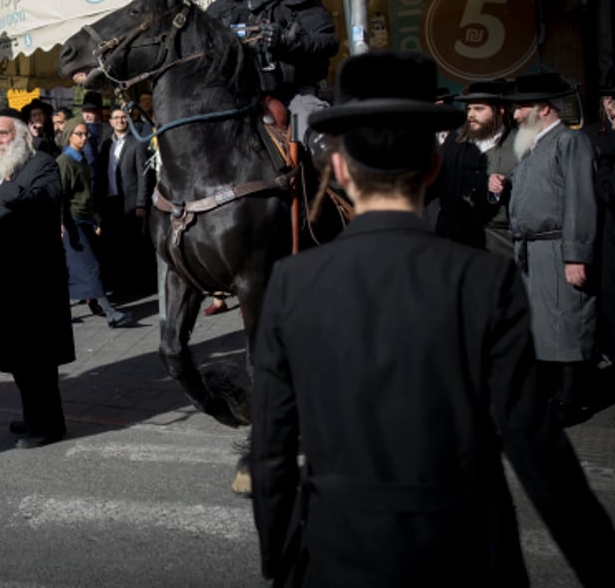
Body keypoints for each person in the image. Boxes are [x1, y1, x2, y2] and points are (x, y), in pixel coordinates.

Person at [250, 50, 615, 588]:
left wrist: (280, 566)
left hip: (340, 554)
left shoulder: (291, 284)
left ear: (343, 169)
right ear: (434, 165)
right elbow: (538, 451)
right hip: (468, 552)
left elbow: (272, 452)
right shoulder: (485, 283)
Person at [491, 73, 599, 423]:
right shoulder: (533, 144)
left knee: (568, 323)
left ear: (545, 108)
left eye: (522, 107)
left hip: (558, 247)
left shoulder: (571, 142)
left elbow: (580, 201)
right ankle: (553, 393)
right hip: (532, 251)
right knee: (544, 325)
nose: (516, 114)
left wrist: (575, 254)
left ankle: (574, 398)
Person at [0, 110, 75, 448]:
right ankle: (33, 417)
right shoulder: (4, 172)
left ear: (21, 136)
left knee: (38, 360)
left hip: (34, 283)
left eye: (1, 134)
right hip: (7, 283)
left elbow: (44, 201)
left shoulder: (42, 164)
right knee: (18, 358)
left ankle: (50, 425)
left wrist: (10, 189)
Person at [205, 0, 339, 146]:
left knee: (320, 141)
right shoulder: (218, 9)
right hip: (234, 100)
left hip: (291, 95)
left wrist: (288, 40)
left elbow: (329, 41)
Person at [58, 115, 133, 327]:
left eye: (85, 134)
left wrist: (93, 221)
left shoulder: (81, 159)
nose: (83, 138)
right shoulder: (65, 161)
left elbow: (86, 195)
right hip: (72, 221)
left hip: (84, 219)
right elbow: (60, 194)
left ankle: (92, 306)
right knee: (90, 266)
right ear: (69, 136)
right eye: (78, 134)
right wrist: (60, 223)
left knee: (76, 268)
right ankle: (110, 313)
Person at [434, 80, 517, 257]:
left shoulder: (518, 145)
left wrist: (505, 186)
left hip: (498, 244)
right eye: (469, 109)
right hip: (453, 242)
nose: (471, 114)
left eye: (479, 109)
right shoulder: (456, 141)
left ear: (499, 110)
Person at [96, 106, 153, 295]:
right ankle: (118, 284)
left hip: (130, 202)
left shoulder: (136, 144)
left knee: (132, 246)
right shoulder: (106, 145)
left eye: (124, 118)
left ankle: (135, 286)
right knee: (114, 245)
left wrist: (141, 203)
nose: (120, 121)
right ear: (110, 122)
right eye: (117, 118)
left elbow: (144, 177)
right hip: (111, 202)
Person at [585, 83, 615, 362]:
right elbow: (606, 192)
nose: (613, 105)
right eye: (609, 98)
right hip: (608, 233)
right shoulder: (593, 136)